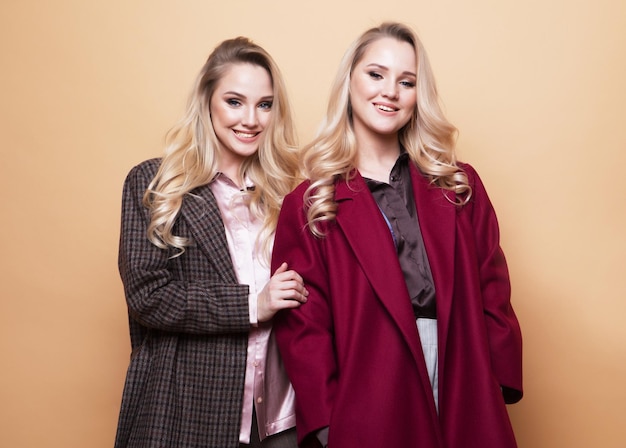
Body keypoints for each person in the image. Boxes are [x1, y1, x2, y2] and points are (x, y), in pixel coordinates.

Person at [271, 22, 523, 448]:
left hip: (463, 374)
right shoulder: (311, 202)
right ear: (349, 81)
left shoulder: (459, 186)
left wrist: (495, 384)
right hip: (370, 389)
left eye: (406, 81)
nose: (390, 91)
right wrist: (330, 422)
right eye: (376, 74)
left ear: (416, 96)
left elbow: (492, 288)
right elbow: (303, 328)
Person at [114, 37, 308, 448]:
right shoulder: (154, 185)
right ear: (207, 102)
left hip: (281, 418)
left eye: (265, 104)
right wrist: (253, 305)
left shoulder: (290, 194)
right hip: (189, 409)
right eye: (235, 102)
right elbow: (149, 296)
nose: (251, 119)